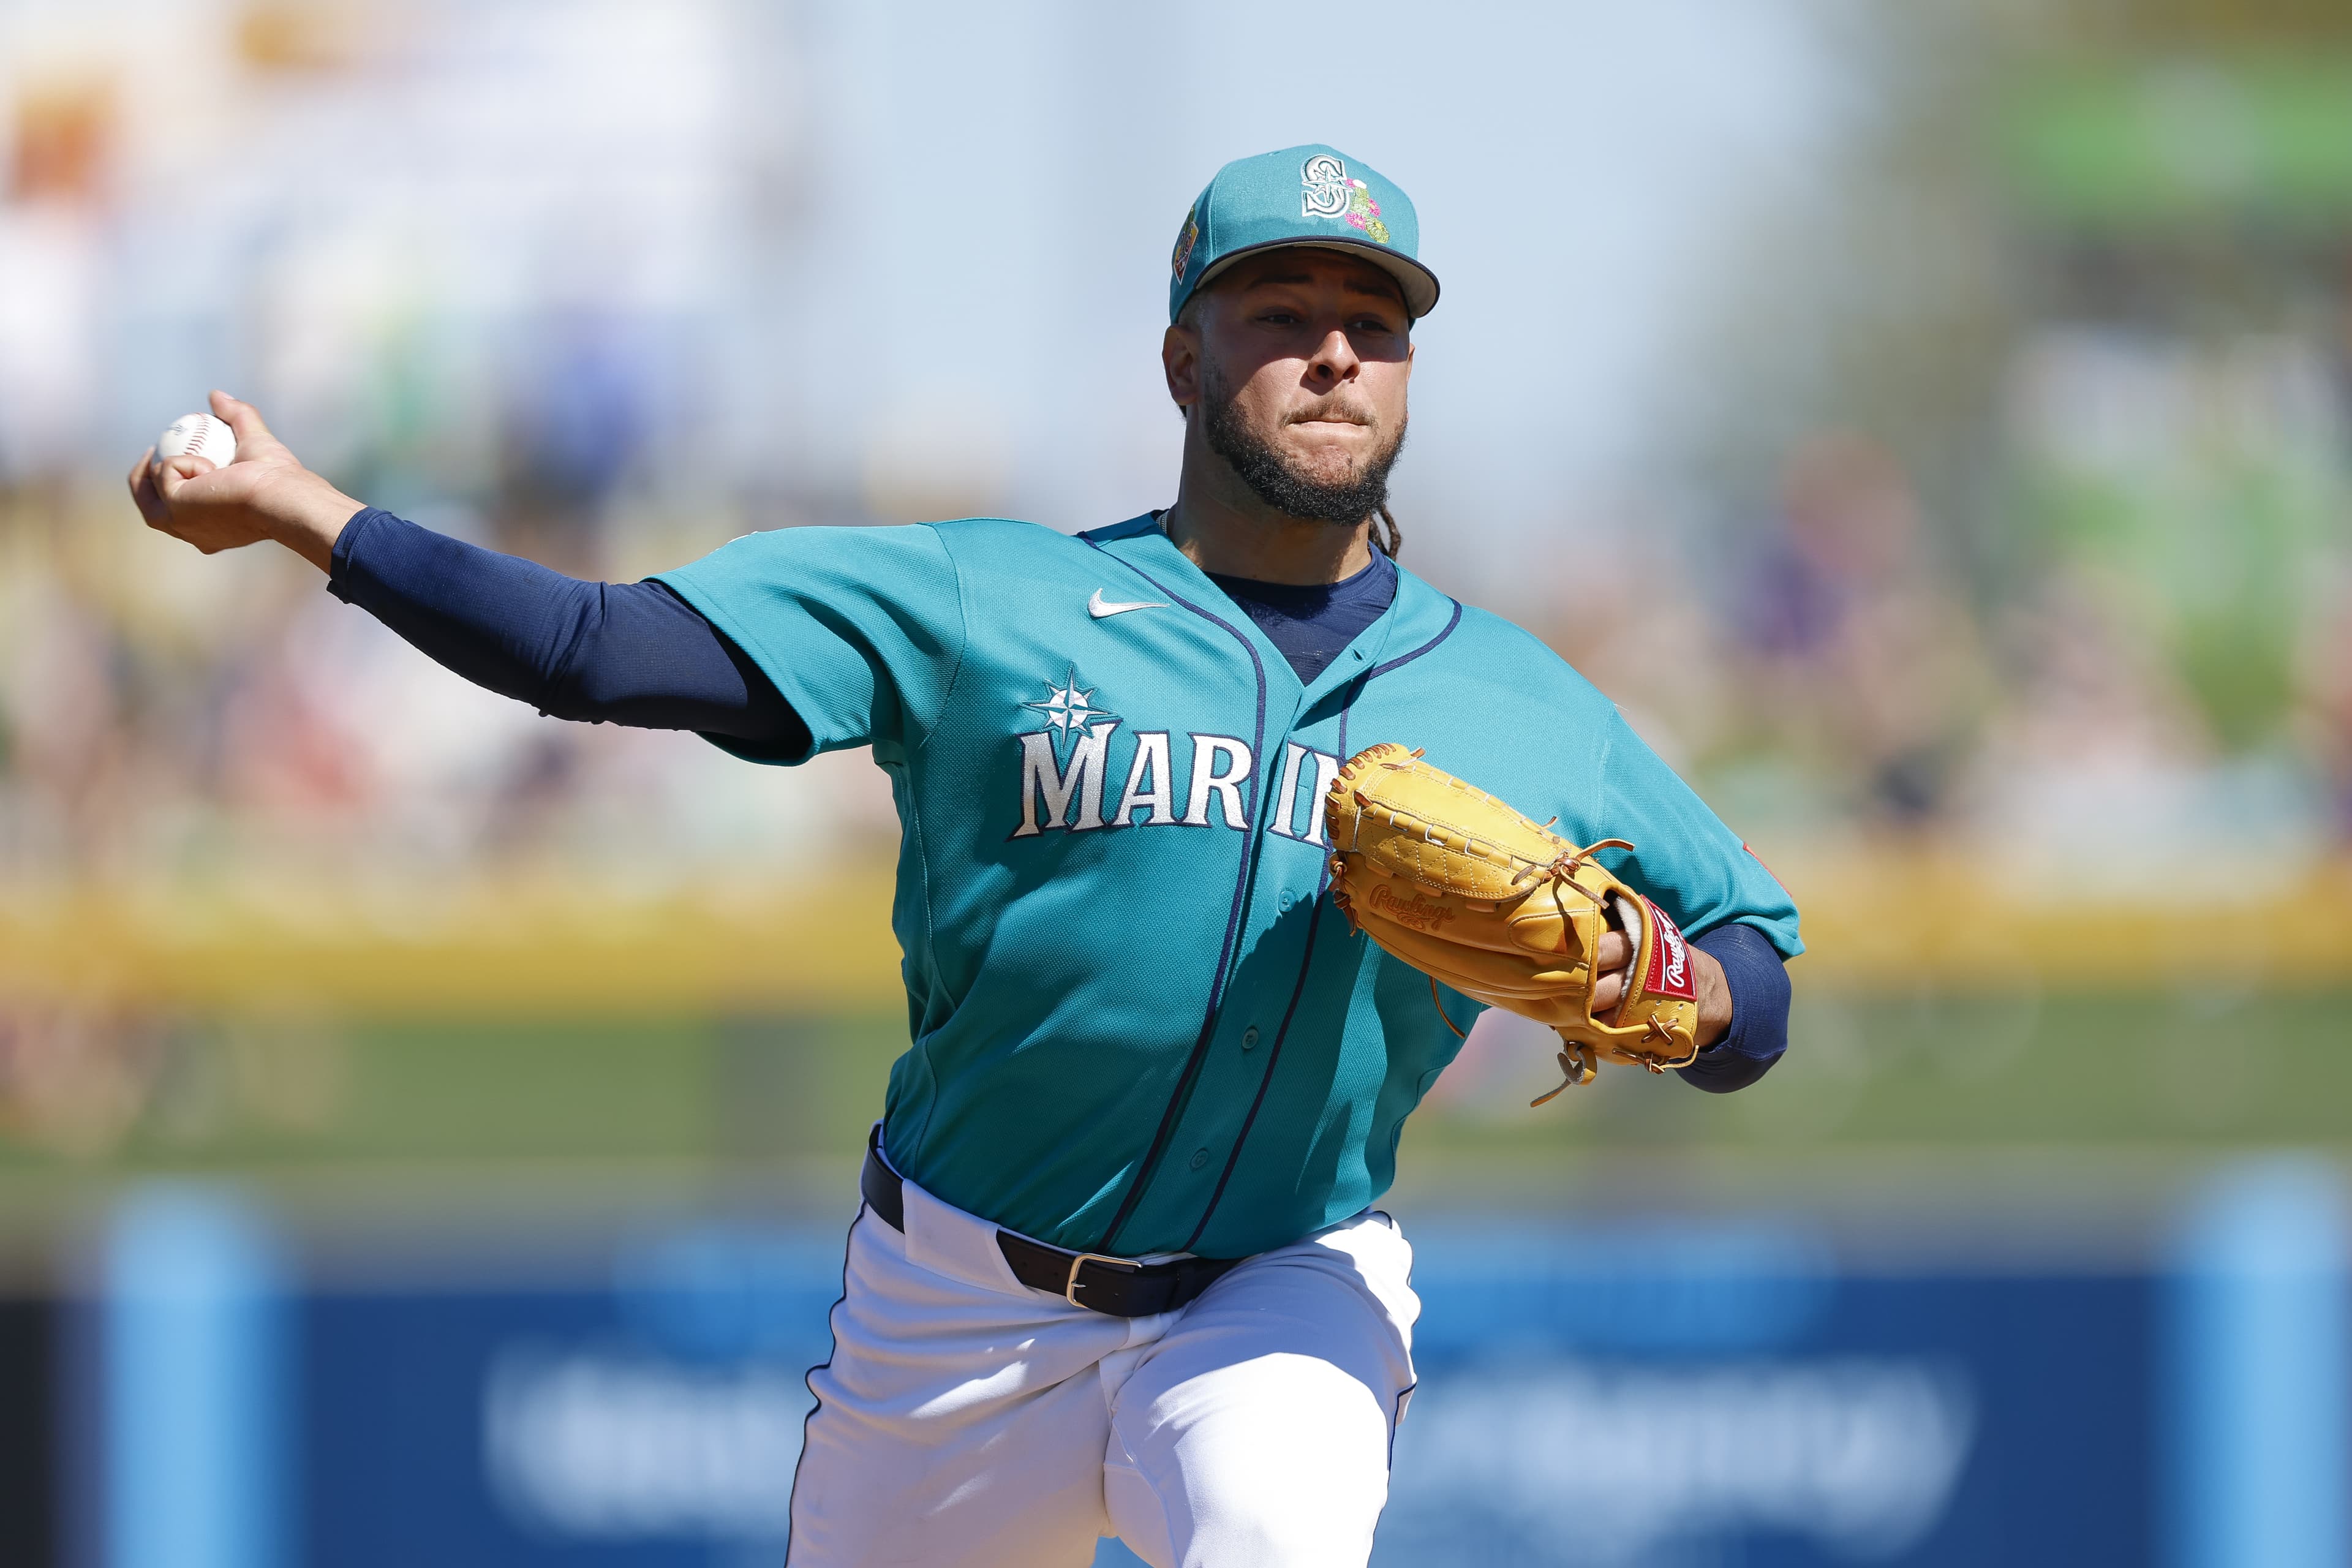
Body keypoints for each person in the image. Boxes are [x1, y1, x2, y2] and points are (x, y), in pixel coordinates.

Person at [130, 145, 1801, 1568]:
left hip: (1285, 1285)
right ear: (1184, 365)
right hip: (956, 1302)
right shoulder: (979, 600)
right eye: (1280, 317)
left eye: (1374, 323)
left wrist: (1679, 992)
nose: (1334, 356)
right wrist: (314, 519)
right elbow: (599, 650)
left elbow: (1757, 969)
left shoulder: (1517, 698)